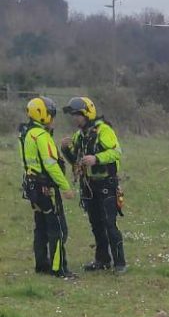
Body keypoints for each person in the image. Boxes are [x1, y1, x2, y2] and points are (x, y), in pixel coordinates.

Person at [61, 96, 127, 273]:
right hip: (88, 186)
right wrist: (65, 149)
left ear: (87, 114)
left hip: (106, 184)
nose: (75, 119)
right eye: (74, 115)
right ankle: (102, 260)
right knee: (96, 224)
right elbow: (76, 161)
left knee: (109, 224)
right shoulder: (79, 135)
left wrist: (96, 158)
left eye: (78, 115)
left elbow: (116, 152)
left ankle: (120, 263)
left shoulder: (104, 130)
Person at [18, 96, 75, 278]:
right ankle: (59, 269)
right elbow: (51, 165)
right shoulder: (41, 136)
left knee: (41, 227)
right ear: (43, 115)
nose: (53, 119)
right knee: (58, 229)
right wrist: (65, 187)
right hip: (45, 188)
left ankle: (41, 265)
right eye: (51, 115)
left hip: (32, 187)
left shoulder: (26, 133)